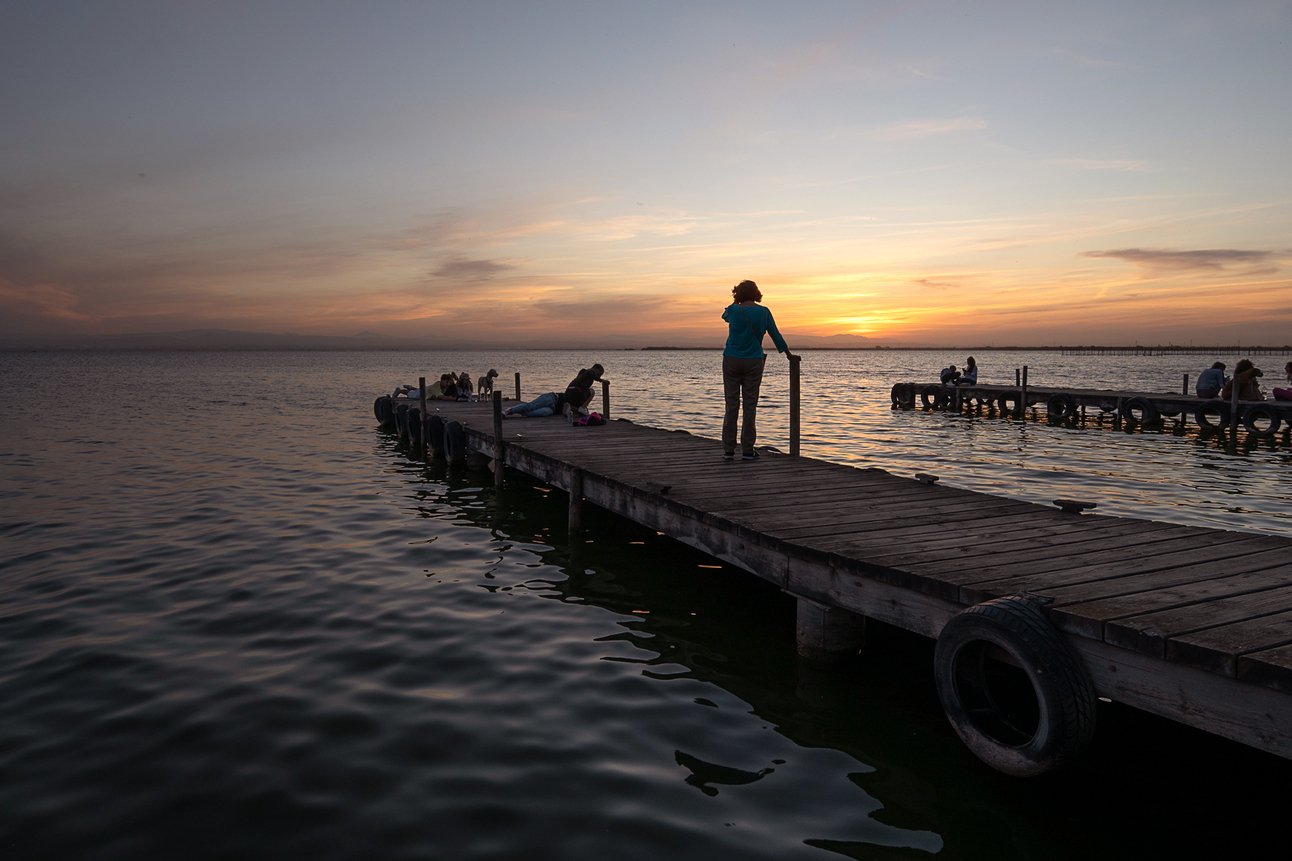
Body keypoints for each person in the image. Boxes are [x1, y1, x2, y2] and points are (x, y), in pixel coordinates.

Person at [721, 279, 796, 462]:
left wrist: (736, 300)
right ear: (756, 293)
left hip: (731, 359)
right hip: (753, 360)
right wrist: (788, 354)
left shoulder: (733, 310)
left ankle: (728, 450)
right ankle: (747, 450)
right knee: (750, 406)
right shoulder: (763, 312)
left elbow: (724, 315)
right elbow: (775, 334)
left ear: (737, 294)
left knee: (731, 406)